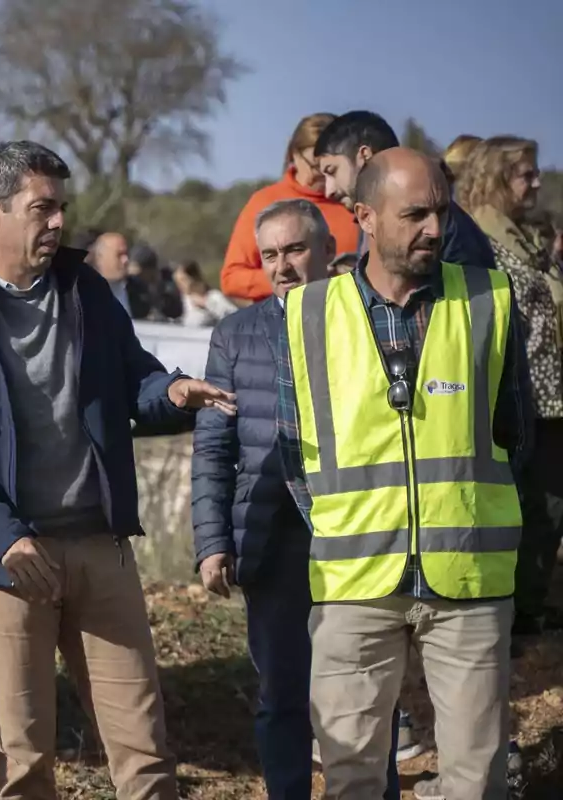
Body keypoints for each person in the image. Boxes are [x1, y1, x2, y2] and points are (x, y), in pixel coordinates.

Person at [0, 140, 236, 799]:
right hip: (6, 562)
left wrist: (170, 394)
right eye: (43, 208)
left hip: (98, 545)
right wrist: (1, 534)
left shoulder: (83, 289)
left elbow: (132, 378)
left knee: (145, 752)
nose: (58, 222)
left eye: (62, 207)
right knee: (24, 763)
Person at [279, 148, 531, 800]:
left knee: (477, 781)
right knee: (352, 779)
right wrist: (352, 526)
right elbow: (294, 454)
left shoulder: (488, 298)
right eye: (414, 213)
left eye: (441, 212)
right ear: (362, 215)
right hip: (352, 584)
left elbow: (517, 435)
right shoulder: (308, 314)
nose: (433, 228)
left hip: (470, 581)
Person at [193, 198, 333, 799]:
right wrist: (212, 542)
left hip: (353, 534)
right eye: (270, 254)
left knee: (359, 697)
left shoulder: (363, 321)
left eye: (295, 250)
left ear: (327, 251)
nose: (282, 266)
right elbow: (213, 448)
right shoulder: (234, 334)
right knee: (281, 693)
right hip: (270, 539)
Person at [458, 136, 563, 637]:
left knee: (547, 511)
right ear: (495, 178)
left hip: (553, 396)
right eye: (526, 173)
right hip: (510, 394)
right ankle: (508, 619)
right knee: (517, 510)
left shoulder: (531, 238)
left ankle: (529, 613)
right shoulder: (477, 238)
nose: (537, 182)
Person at [314, 111, 497, 271]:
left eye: (332, 171)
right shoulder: (370, 216)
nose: (328, 190)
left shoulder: (447, 225)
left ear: (364, 156)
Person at [221, 113, 360, 302]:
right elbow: (232, 279)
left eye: (332, 169)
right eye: (315, 166)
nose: (325, 179)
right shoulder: (265, 201)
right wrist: (296, 277)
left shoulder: (356, 202)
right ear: (293, 154)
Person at [89, 230, 157, 319]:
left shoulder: (140, 291)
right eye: (119, 255)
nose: (126, 260)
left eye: (126, 254)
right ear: (100, 257)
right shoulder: (81, 292)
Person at [175, 261, 239, 326]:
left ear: (195, 278)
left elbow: (235, 318)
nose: (179, 285)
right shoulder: (185, 299)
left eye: (183, 280)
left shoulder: (215, 297)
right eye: (177, 282)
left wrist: (207, 303)